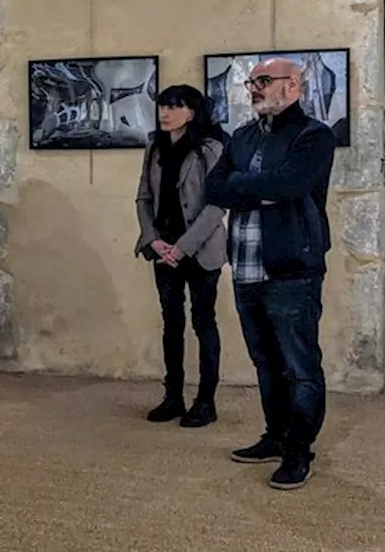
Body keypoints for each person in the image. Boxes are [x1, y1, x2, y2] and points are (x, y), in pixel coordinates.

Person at [204, 56, 335, 491]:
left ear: (292, 85)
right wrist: (252, 188)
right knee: (266, 362)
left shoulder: (313, 136)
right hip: (244, 267)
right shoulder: (241, 136)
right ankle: (275, 436)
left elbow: (289, 185)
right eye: (251, 81)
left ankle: (299, 449)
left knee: (299, 364)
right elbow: (214, 189)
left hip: (291, 267)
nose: (253, 88)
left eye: (263, 80)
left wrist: (244, 186)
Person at [133, 85, 227, 428]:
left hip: (200, 248)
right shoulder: (154, 146)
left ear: (192, 112)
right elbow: (143, 197)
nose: (165, 112)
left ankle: (205, 401)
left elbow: (217, 204)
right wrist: (152, 239)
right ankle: (173, 396)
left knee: (204, 322)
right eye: (162, 106)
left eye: (174, 107)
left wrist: (183, 246)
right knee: (171, 323)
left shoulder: (211, 149)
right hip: (163, 248)